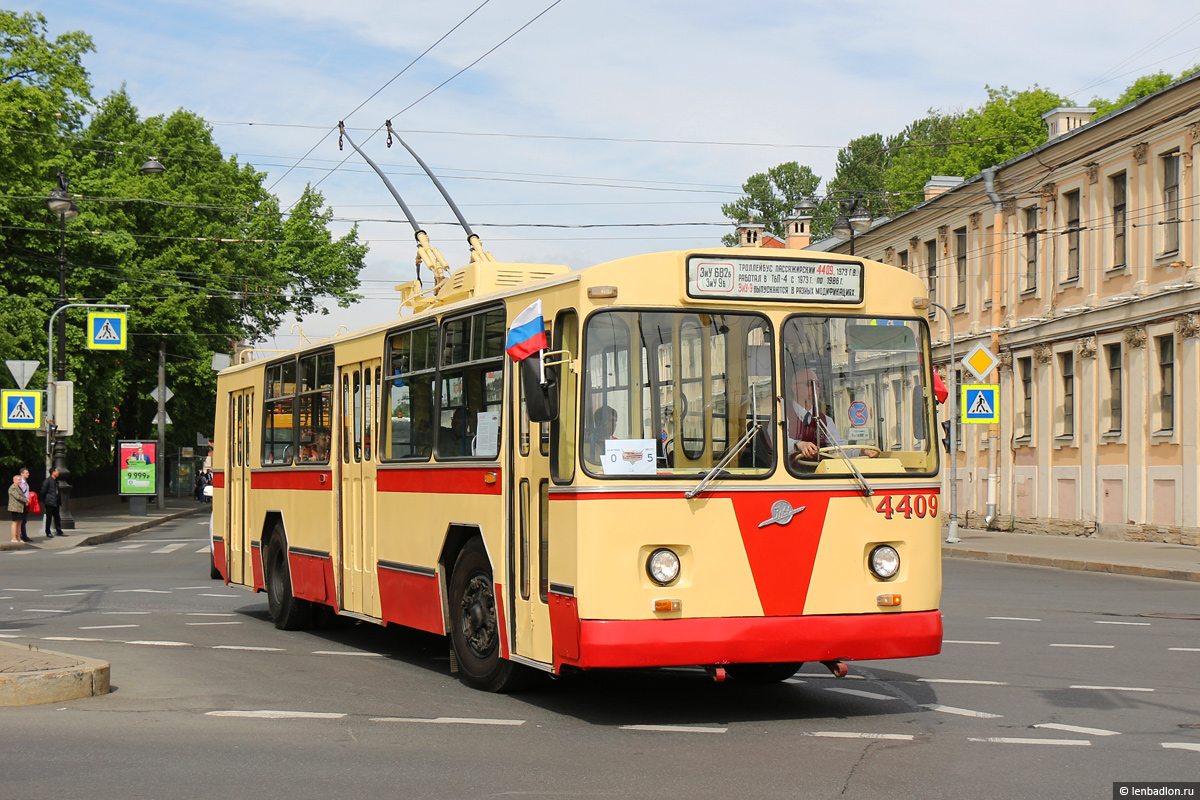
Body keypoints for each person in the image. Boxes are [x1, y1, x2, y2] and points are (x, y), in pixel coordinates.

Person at [786, 369, 877, 464]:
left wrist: (862, 452)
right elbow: (776, 443)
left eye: (817, 384)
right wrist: (798, 444)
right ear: (795, 388)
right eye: (810, 384)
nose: (815, 388)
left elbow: (838, 449)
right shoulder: (782, 415)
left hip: (819, 474)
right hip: (790, 474)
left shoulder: (825, 420)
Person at [41, 467, 65, 538]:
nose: (58, 473)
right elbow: (43, 491)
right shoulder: (48, 481)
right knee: (49, 517)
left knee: (57, 517)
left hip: (56, 502)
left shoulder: (56, 481)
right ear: (53, 472)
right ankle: (48, 531)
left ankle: (59, 530)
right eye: (57, 471)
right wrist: (46, 501)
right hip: (50, 502)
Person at [9, 474, 28, 544]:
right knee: (15, 522)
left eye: (20, 480)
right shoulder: (13, 488)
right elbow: (18, 497)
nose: (19, 481)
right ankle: (14, 538)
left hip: (20, 508)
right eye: (18, 480)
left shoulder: (18, 487)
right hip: (15, 508)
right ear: (14, 480)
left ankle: (19, 538)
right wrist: (26, 500)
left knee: (20, 523)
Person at [18, 467, 31, 542]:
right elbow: (20, 493)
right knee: (22, 520)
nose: (28, 474)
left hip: (26, 502)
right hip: (23, 503)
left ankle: (23, 534)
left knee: (24, 520)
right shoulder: (21, 483)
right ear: (22, 474)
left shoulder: (25, 482)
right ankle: (23, 535)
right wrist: (25, 500)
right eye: (26, 473)